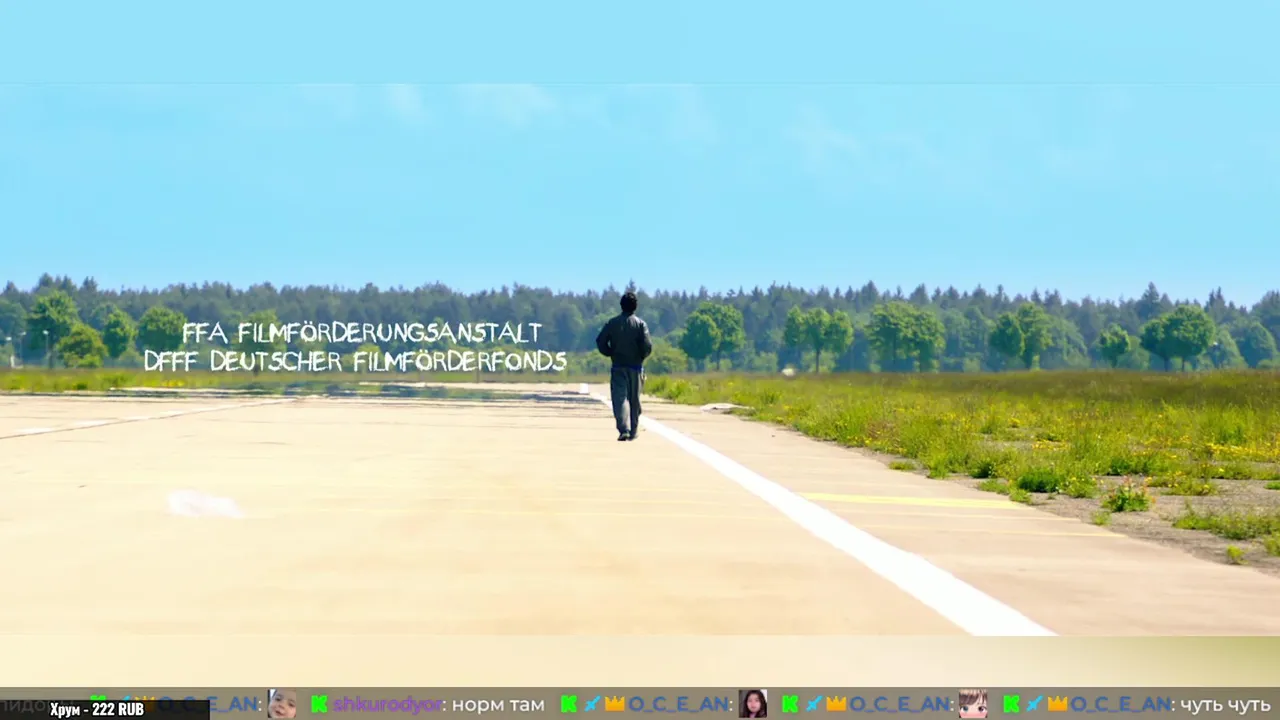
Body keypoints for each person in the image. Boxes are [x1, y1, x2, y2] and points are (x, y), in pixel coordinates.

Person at [595, 290, 653, 441]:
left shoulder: (612, 323)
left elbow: (600, 341)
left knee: (620, 399)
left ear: (621, 305)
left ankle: (624, 429)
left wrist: (609, 352)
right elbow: (647, 346)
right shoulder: (641, 324)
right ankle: (633, 429)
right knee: (634, 400)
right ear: (635, 306)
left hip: (618, 366)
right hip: (635, 367)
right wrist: (641, 357)